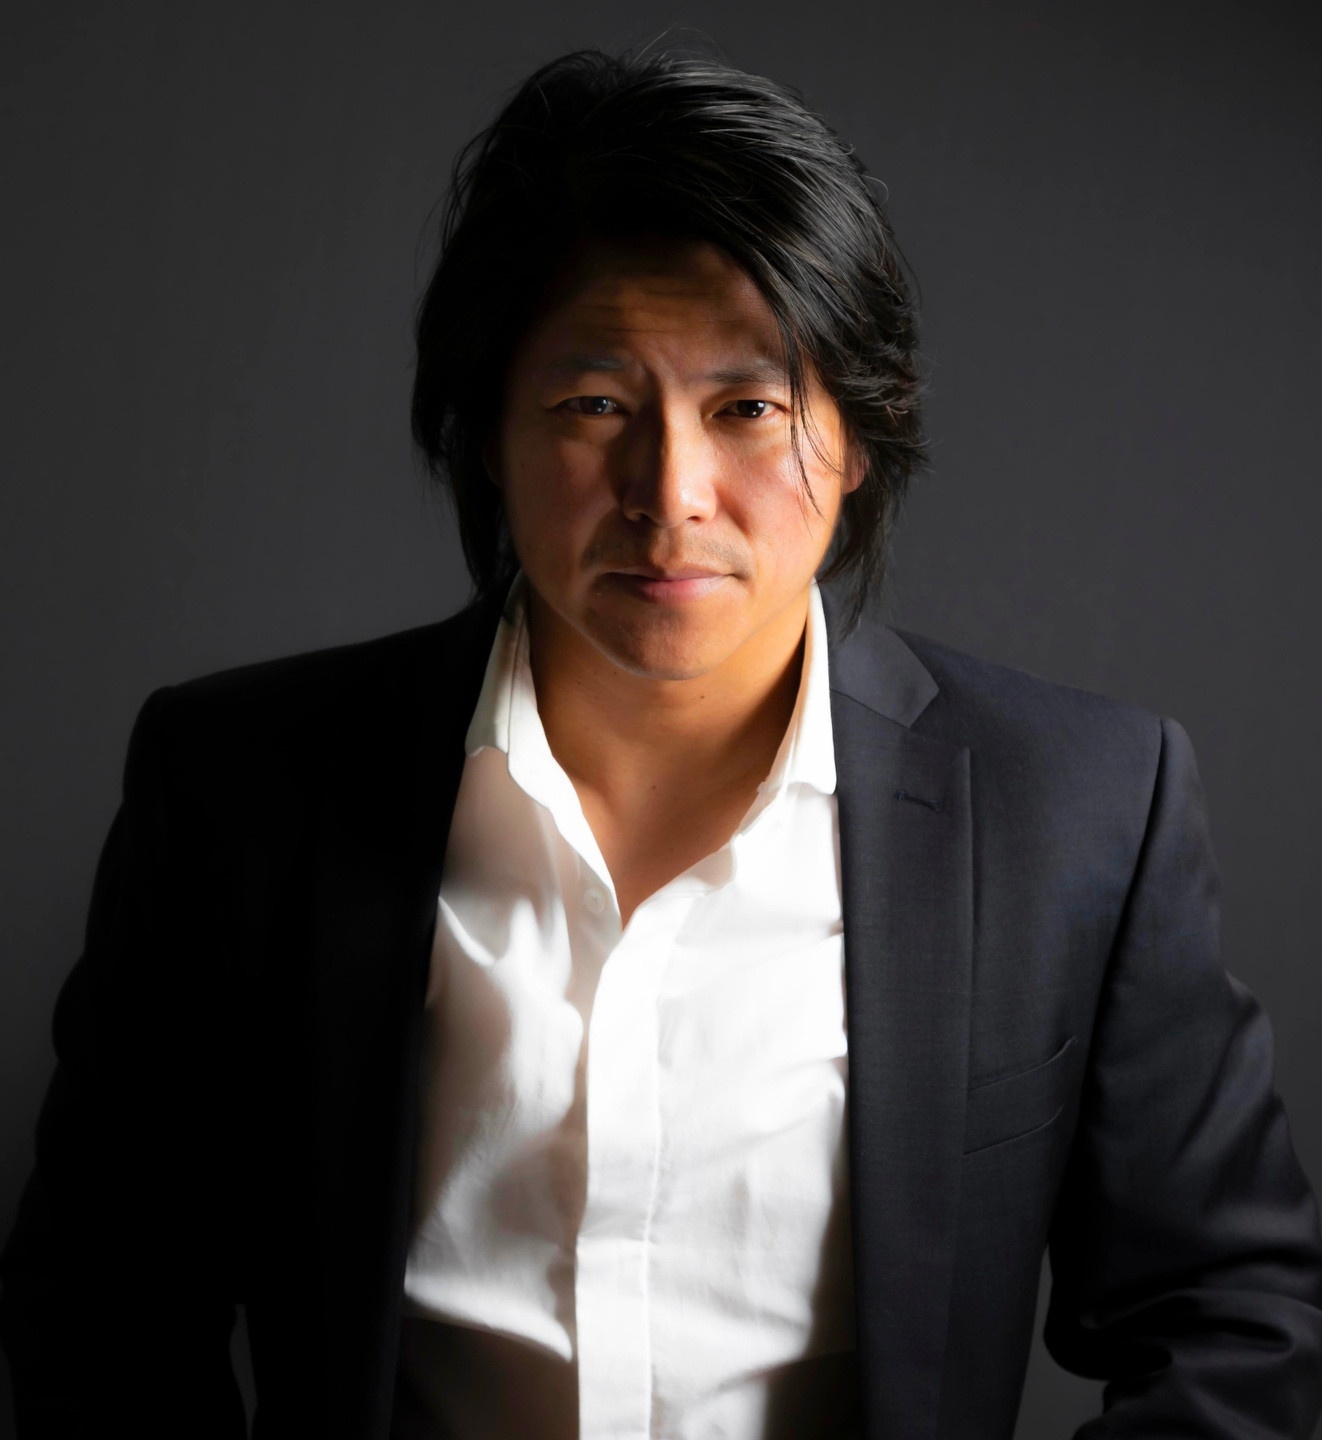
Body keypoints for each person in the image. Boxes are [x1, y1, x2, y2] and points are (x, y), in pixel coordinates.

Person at [2, 43, 1320, 1440]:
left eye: (748, 409)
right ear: (488, 434)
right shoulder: (239, 787)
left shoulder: (1080, 808)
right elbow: (102, 1305)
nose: (670, 492)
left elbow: (1237, 1320)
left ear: (857, 435)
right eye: (595, 407)